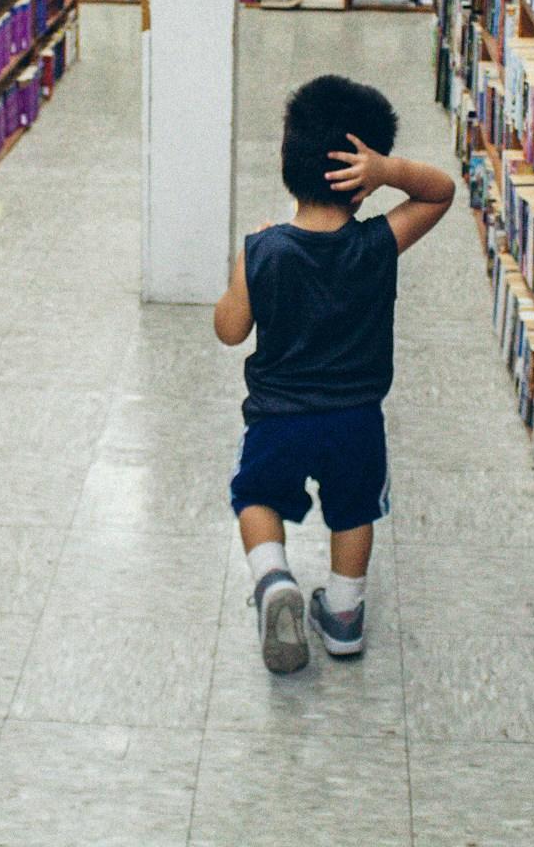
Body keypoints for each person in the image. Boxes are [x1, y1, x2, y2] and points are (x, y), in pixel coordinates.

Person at [212, 75, 455, 673]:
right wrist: (389, 170)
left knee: (257, 497)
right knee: (353, 512)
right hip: (355, 420)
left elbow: (229, 329)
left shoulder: (262, 251)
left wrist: (243, 270)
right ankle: (344, 616)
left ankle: (273, 581)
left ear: (284, 162)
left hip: (277, 421)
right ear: (362, 187)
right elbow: (441, 192)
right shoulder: (376, 245)